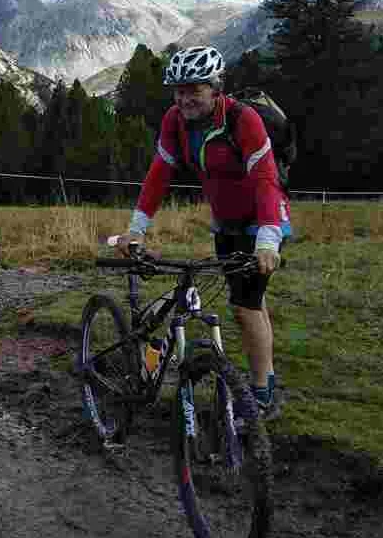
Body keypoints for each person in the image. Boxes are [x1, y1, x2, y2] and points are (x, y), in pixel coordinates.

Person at [114, 45, 291, 420]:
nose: (185, 99)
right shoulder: (175, 121)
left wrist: (267, 241)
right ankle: (265, 381)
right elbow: (159, 175)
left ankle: (262, 396)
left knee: (245, 306)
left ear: (216, 87)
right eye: (178, 91)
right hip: (225, 222)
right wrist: (136, 230)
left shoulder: (243, 120)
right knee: (246, 302)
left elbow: (266, 180)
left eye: (194, 89)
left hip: (264, 220)